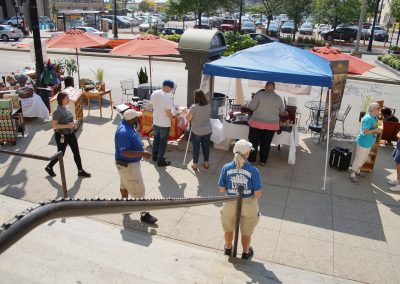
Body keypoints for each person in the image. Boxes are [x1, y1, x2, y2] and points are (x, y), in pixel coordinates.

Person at [218, 139, 262, 260]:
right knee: (247, 230)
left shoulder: (226, 167)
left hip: (230, 202)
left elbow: (221, 189)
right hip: (248, 204)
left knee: (228, 227)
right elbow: (258, 194)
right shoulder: (253, 171)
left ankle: (228, 247)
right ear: (247, 153)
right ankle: (245, 252)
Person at [115, 109, 157, 223]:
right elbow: (124, 152)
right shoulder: (124, 132)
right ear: (132, 119)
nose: (138, 119)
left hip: (125, 165)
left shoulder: (126, 124)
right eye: (136, 117)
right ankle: (144, 214)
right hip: (128, 166)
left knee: (124, 184)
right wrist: (142, 153)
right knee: (139, 189)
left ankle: (124, 205)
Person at [45, 91, 91, 178]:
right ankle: (49, 167)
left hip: (70, 134)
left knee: (76, 152)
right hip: (62, 135)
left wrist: (74, 123)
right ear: (62, 99)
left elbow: (69, 121)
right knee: (61, 153)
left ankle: (80, 170)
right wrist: (67, 125)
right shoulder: (57, 112)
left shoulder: (66, 108)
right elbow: (54, 125)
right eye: (67, 98)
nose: (69, 99)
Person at [247, 81, 285, 166]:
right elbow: (282, 112)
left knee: (253, 142)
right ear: (274, 88)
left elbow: (251, 107)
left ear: (265, 87)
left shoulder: (259, 94)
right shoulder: (278, 98)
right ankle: (263, 161)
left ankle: (252, 160)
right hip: (271, 125)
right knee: (266, 144)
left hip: (256, 123)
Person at [350, 102, 382, 184]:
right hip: (363, 142)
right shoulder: (368, 118)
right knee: (359, 158)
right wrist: (376, 130)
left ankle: (358, 171)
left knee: (364, 158)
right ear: (373, 109)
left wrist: (376, 130)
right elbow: (365, 132)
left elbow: (374, 127)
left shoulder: (375, 117)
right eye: (378, 108)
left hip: (369, 142)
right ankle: (352, 174)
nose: (379, 110)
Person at [150, 79, 175, 167]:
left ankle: (154, 156)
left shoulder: (154, 93)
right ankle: (160, 160)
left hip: (156, 121)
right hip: (164, 123)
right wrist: (173, 117)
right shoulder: (167, 97)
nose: (171, 90)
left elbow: (152, 106)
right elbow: (168, 112)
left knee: (156, 139)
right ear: (167, 87)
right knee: (163, 142)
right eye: (171, 88)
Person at [186, 89, 212, 171]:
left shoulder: (194, 107)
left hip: (197, 131)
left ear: (195, 97)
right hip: (207, 130)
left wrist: (188, 112)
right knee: (206, 147)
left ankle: (195, 165)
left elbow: (188, 118)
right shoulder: (208, 105)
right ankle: (206, 163)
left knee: (196, 148)